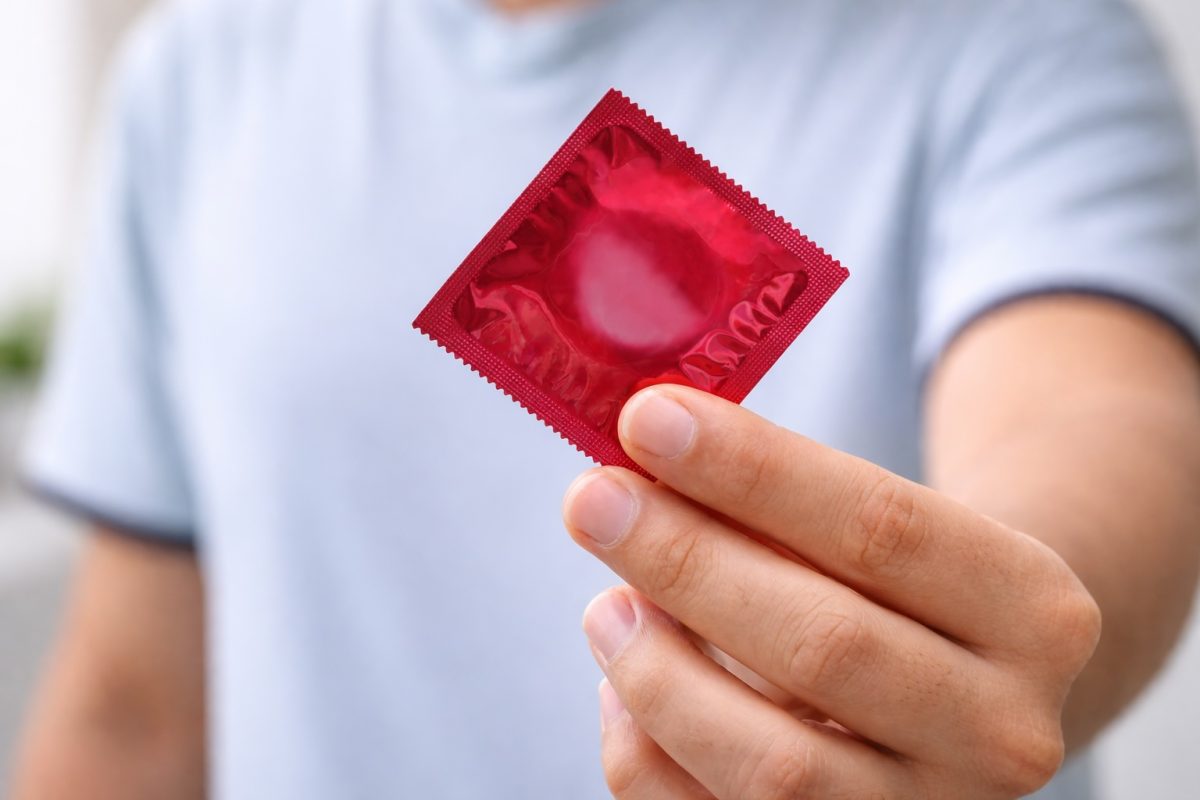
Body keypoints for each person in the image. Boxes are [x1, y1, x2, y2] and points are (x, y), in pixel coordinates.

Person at [10, 0, 1200, 797]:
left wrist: (985, 632)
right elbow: (132, 697)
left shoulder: (1022, 36)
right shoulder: (203, 63)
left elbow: (1096, 420)